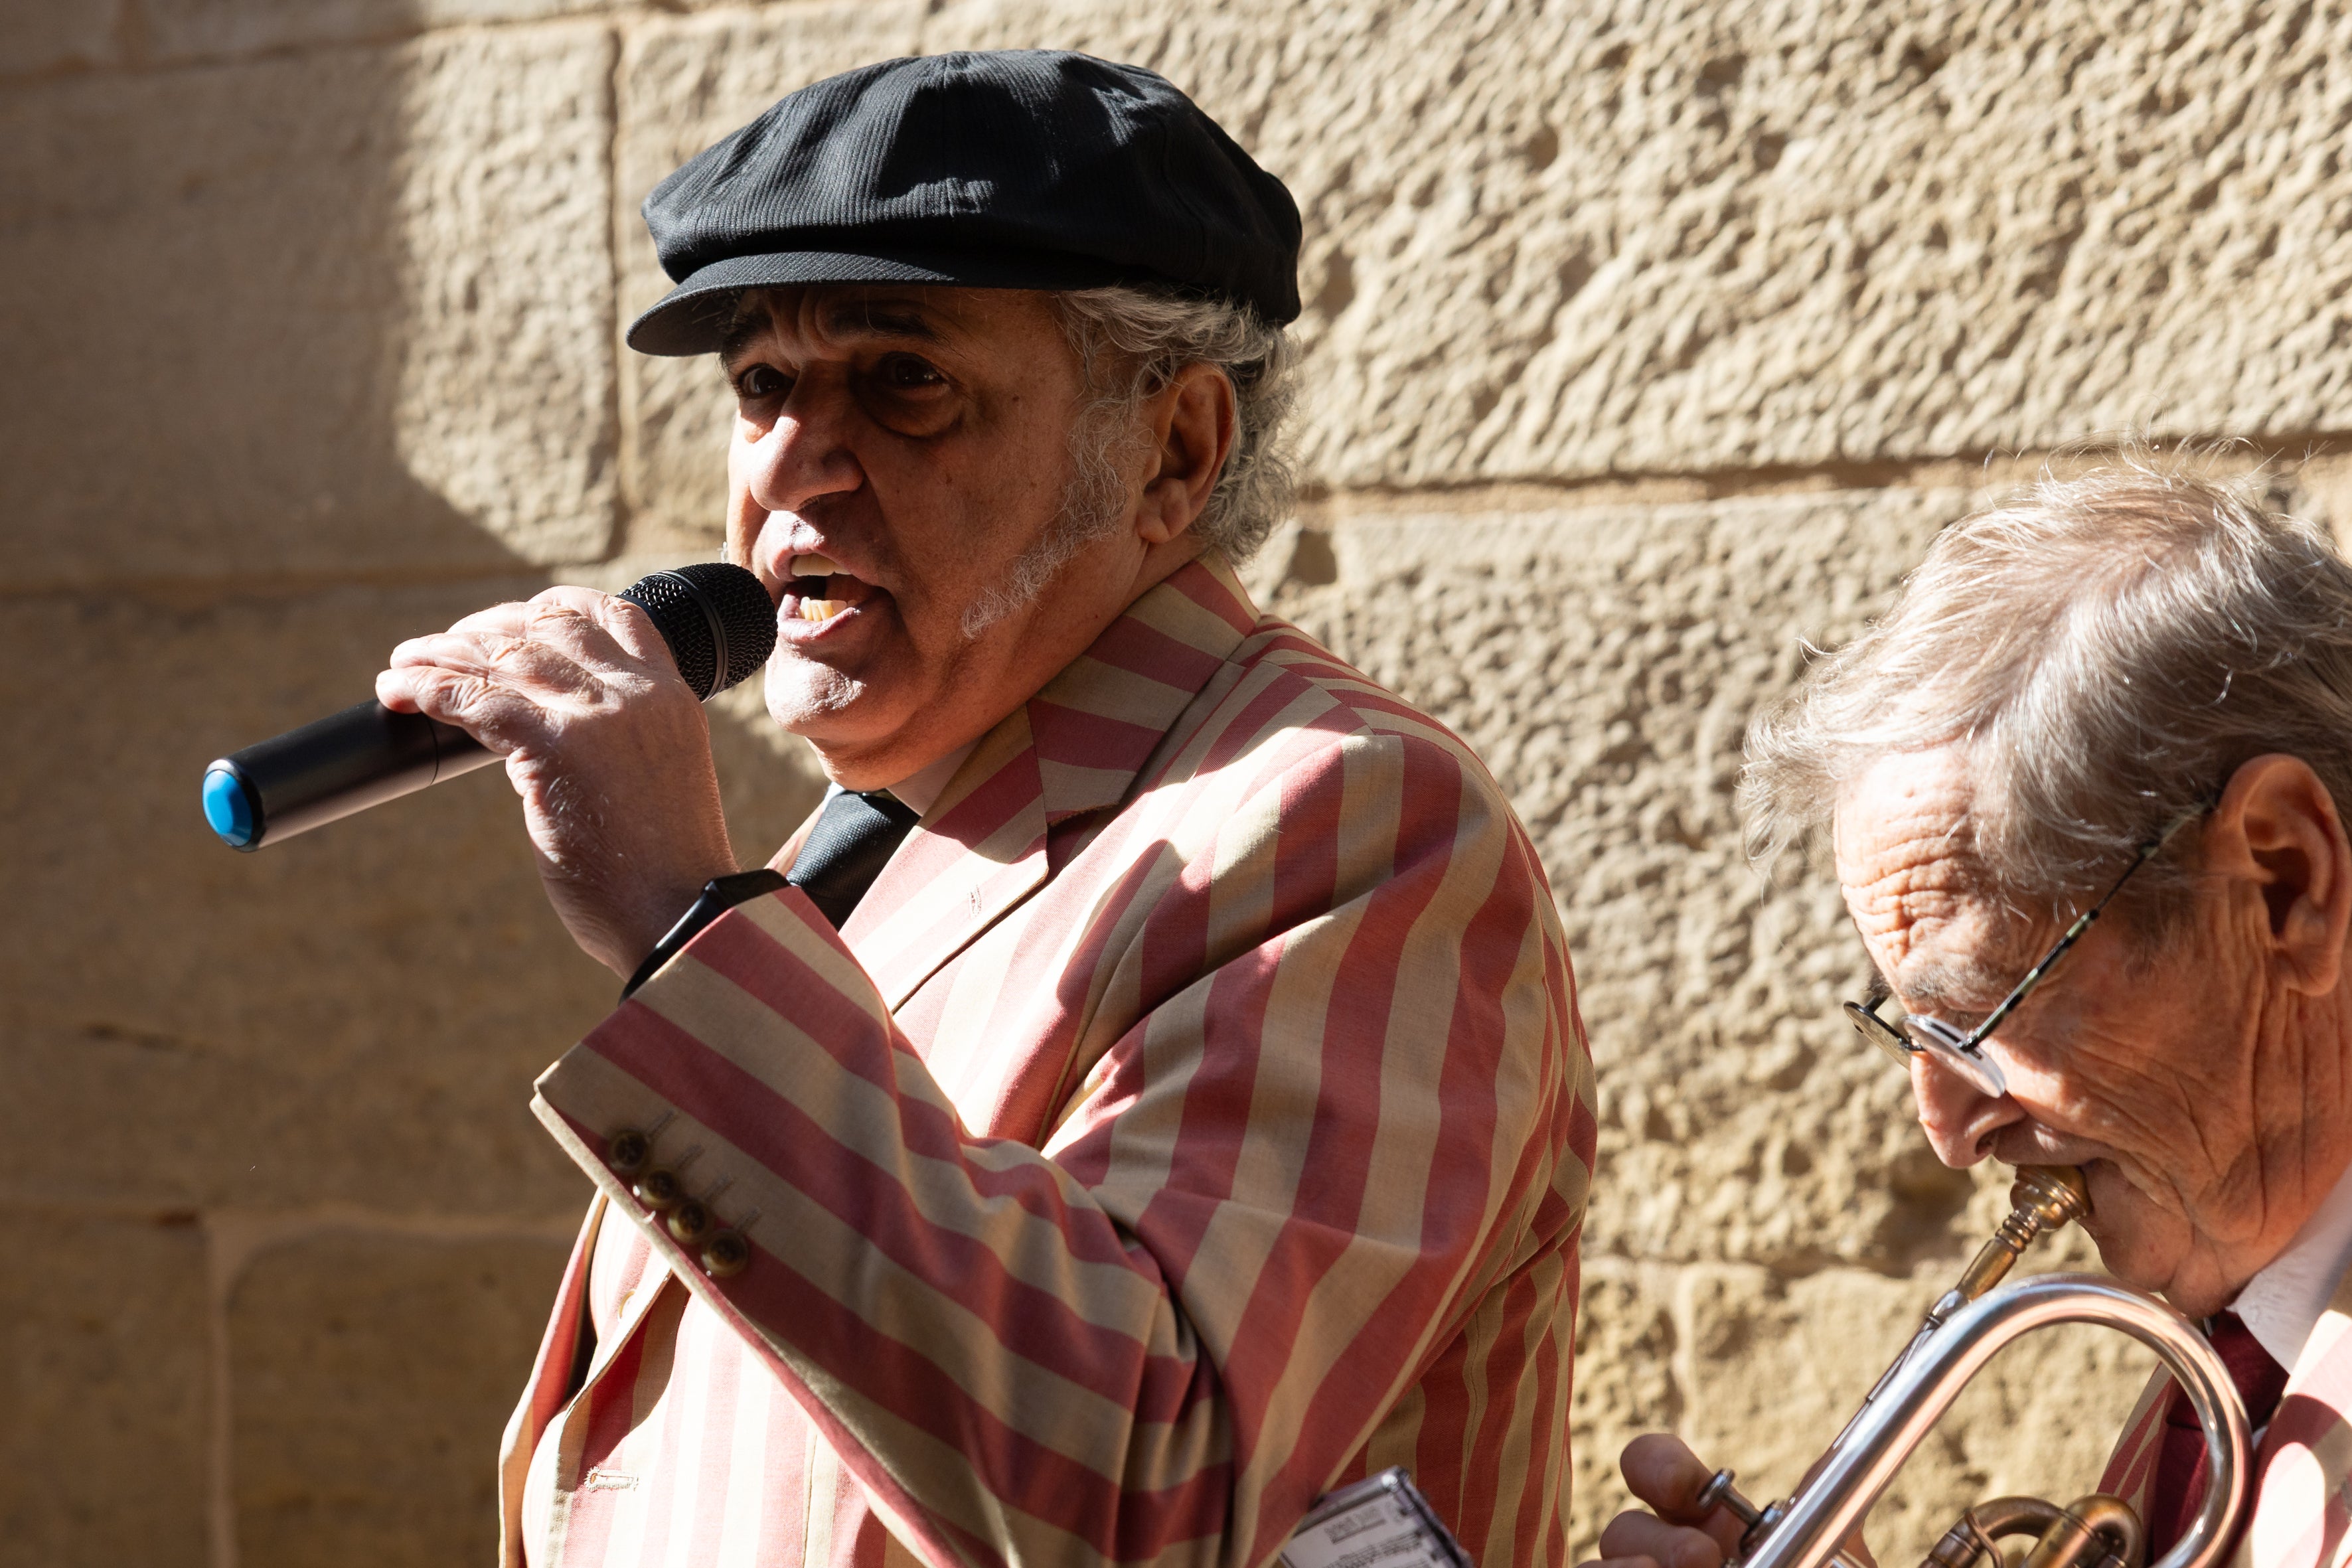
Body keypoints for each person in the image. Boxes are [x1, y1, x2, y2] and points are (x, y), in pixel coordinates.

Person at [374, 50, 1595, 1568]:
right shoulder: (878, 839)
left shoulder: (1348, 821)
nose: (794, 469)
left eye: (905, 381)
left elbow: (1146, 1486)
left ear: (1173, 449)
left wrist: (684, 918)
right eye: (762, 384)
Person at [1583, 463, 2352, 1568]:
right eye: (1913, 1027)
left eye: (1985, 1003)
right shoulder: (2242, 1331)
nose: (1945, 1127)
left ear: (2285, 882)